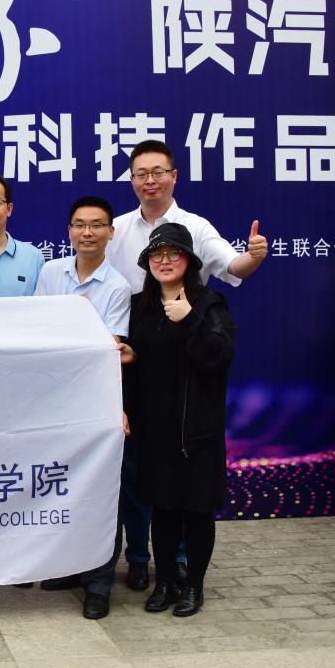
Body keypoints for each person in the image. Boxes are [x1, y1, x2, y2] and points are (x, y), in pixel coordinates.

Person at [106, 140, 266, 592]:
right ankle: (143, 563)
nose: (150, 180)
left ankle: (183, 574)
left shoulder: (197, 232)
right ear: (132, 180)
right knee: (146, 487)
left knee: (190, 499)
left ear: (174, 176)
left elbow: (234, 265)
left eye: (158, 172)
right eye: (141, 173)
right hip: (144, 364)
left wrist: (253, 256)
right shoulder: (118, 231)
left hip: (191, 386)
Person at [121, 223, 236, 617]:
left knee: (197, 510)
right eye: (157, 254)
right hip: (155, 430)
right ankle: (166, 581)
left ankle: (194, 587)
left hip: (197, 431)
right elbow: (141, 363)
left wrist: (188, 320)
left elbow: (218, 358)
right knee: (163, 508)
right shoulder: (140, 307)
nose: (165, 261)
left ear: (189, 261)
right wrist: (131, 358)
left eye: (174, 254)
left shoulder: (209, 305)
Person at [35, 196, 131, 618]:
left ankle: (99, 583)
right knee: (64, 487)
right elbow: (38, 333)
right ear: (69, 230)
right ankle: (72, 568)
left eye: (96, 225)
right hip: (53, 399)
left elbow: (109, 349)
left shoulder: (118, 286)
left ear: (110, 232)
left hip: (94, 399)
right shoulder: (50, 272)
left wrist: (74, 345)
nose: (87, 232)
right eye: (79, 224)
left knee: (100, 491)